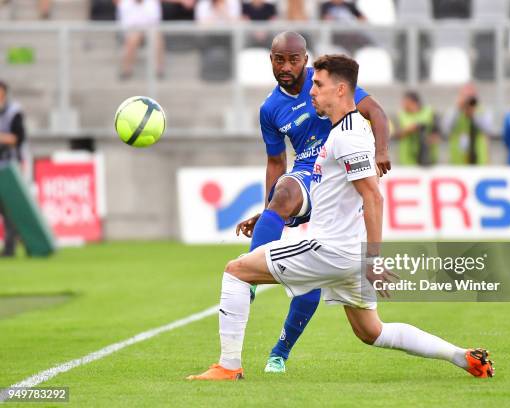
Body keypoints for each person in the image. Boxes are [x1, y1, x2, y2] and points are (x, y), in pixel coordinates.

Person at [186, 54, 494, 381]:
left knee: (236, 272)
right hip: (347, 253)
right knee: (371, 331)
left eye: (318, 85)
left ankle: (228, 366)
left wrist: (374, 258)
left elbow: (373, 195)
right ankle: (462, 357)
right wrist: (266, 213)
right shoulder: (341, 132)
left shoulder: (347, 135)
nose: (312, 92)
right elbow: (331, 195)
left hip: (330, 250)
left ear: (341, 89)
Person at [232, 32, 391, 374]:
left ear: (305, 59)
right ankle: (250, 279)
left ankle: (280, 351)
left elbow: (375, 112)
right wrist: (268, 214)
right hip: (307, 174)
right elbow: (276, 164)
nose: (286, 67)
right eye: (279, 59)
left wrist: (381, 151)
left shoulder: (326, 83)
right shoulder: (270, 109)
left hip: (340, 175)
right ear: (270, 60)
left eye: (293, 60)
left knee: (315, 280)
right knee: (284, 193)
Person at [0, 80, 26, 257]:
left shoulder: (13, 112)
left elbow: (19, 138)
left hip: (10, 167)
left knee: (10, 208)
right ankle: (18, 237)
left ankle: (12, 245)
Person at [443, 84, 492, 165]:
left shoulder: (483, 111)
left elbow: (488, 129)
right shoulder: (452, 111)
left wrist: (473, 114)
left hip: (478, 155)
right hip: (458, 157)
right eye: (466, 96)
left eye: (471, 96)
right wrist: (458, 109)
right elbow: (446, 129)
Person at [116, 0, 165, 80]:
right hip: (131, 31)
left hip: (148, 29)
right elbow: (125, 24)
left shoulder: (152, 2)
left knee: (157, 37)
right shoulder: (125, 3)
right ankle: (126, 70)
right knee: (133, 38)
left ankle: (159, 70)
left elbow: (155, 21)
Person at [395, 91, 440, 166]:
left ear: (414, 102)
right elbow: (395, 135)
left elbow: (438, 133)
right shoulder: (401, 115)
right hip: (407, 160)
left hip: (427, 158)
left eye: (405, 102)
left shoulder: (430, 112)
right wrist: (408, 130)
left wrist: (430, 139)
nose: (403, 105)